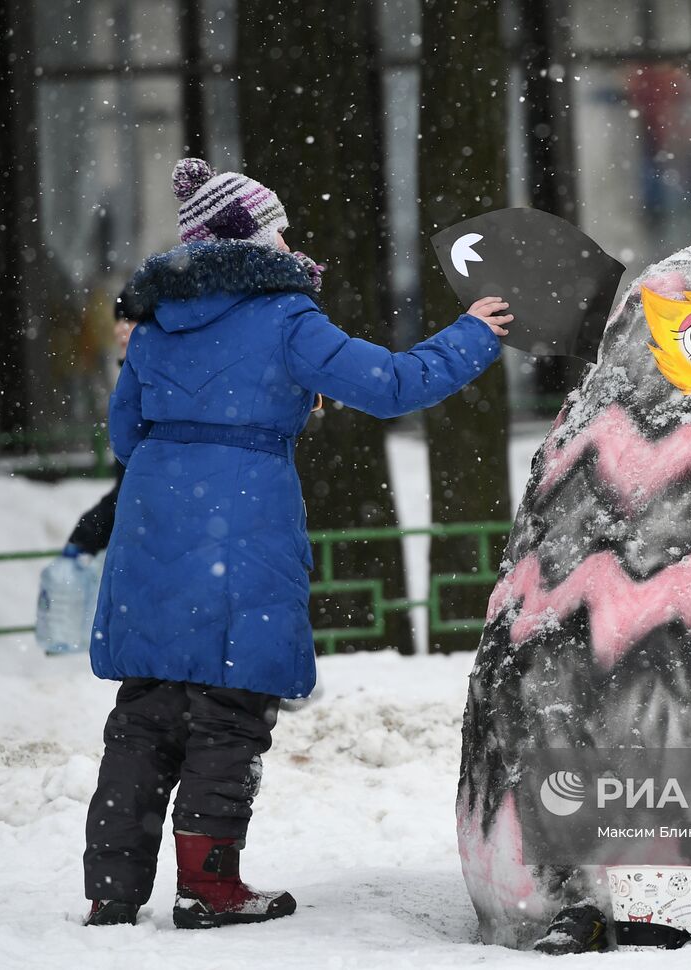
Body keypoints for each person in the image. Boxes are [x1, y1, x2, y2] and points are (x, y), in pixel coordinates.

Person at [82, 157, 512, 929]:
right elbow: (389, 384)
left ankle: (110, 893)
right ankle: (208, 885)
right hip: (244, 517)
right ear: (249, 237)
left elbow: (125, 431)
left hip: (153, 518)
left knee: (145, 707)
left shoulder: (153, 323)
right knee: (230, 704)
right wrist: (473, 335)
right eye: (279, 229)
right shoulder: (284, 316)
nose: (289, 243)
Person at [63, 292, 135, 560]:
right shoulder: (131, 379)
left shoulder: (150, 385)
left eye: (130, 320)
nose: (120, 329)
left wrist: (89, 531)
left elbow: (134, 485)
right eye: (118, 320)